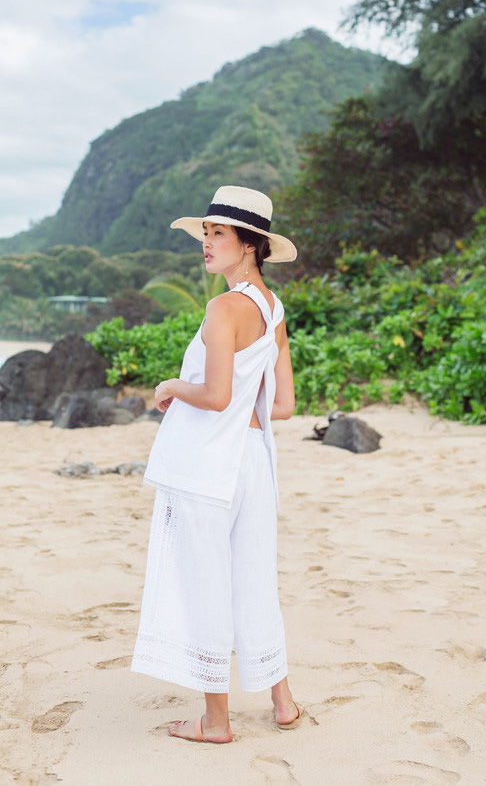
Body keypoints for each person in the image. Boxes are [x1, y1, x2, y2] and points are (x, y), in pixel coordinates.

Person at [131, 185, 304, 743]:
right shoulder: (272, 309)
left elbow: (216, 395)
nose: (206, 243)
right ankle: (282, 702)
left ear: (250, 244)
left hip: (208, 465)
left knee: (204, 582)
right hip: (252, 461)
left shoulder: (222, 306)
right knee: (253, 579)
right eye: (205, 233)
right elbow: (282, 404)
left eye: (217, 233)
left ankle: (216, 721)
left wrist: (170, 385)